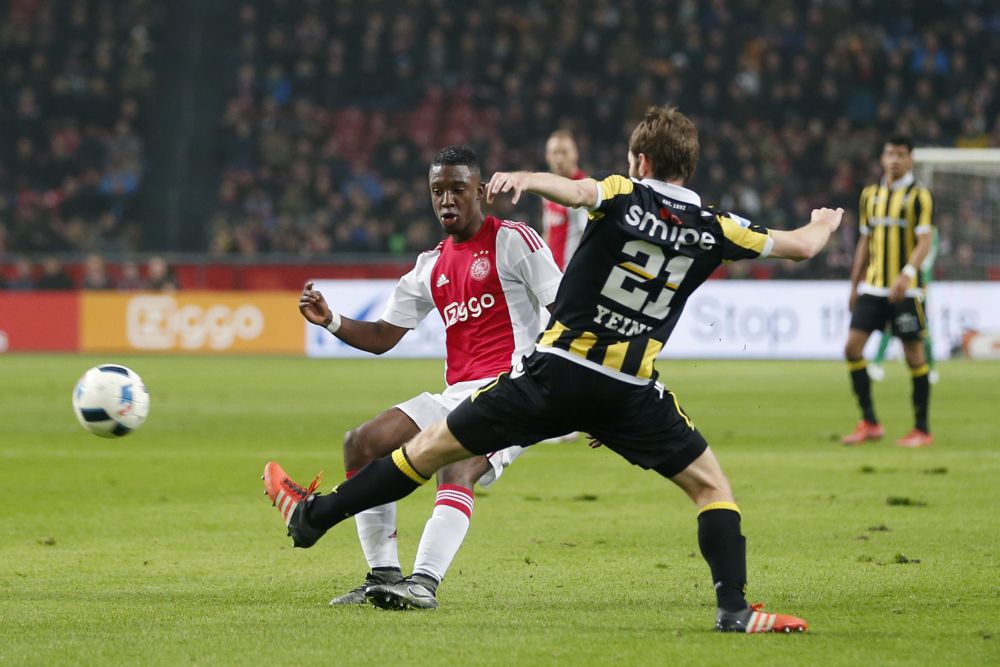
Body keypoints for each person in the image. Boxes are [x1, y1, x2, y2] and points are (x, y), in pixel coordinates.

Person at [263, 106, 843, 632]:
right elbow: (800, 246)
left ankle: (320, 521)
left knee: (431, 453)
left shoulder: (619, 195)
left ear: (639, 160)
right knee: (712, 487)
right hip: (629, 387)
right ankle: (735, 609)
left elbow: (576, 191)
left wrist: (526, 178)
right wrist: (825, 222)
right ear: (688, 166)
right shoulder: (717, 225)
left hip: (555, 370)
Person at [292, 145, 562, 609]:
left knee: (458, 464)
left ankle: (423, 583)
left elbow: (567, 316)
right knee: (361, 442)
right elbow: (381, 335)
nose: (447, 200)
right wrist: (332, 320)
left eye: (458, 189)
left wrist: (588, 399)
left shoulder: (516, 240)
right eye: (438, 191)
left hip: (512, 394)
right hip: (455, 394)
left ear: (480, 191)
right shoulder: (430, 265)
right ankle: (382, 573)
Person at [842, 135, 934, 448]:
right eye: (889, 153)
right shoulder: (870, 195)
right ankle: (869, 421)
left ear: (910, 159)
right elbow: (865, 241)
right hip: (874, 287)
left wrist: (907, 274)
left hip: (906, 291)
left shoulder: (919, 196)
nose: (894, 159)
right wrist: (855, 284)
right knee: (852, 348)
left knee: (914, 356)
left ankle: (921, 429)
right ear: (882, 158)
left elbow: (925, 241)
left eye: (900, 154)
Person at [867, 227, 939, 385]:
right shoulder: (908, 228)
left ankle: (931, 368)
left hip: (918, 289)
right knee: (889, 324)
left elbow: (925, 262)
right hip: (900, 286)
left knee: (923, 328)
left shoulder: (930, 233)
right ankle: (877, 364)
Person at [541, 130, 588, 271]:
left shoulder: (584, 190)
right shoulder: (547, 188)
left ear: (575, 154)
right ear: (547, 156)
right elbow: (548, 231)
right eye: (555, 153)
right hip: (552, 274)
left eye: (564, 152)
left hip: (573, 275)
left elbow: (589, 237)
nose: (559, 159)